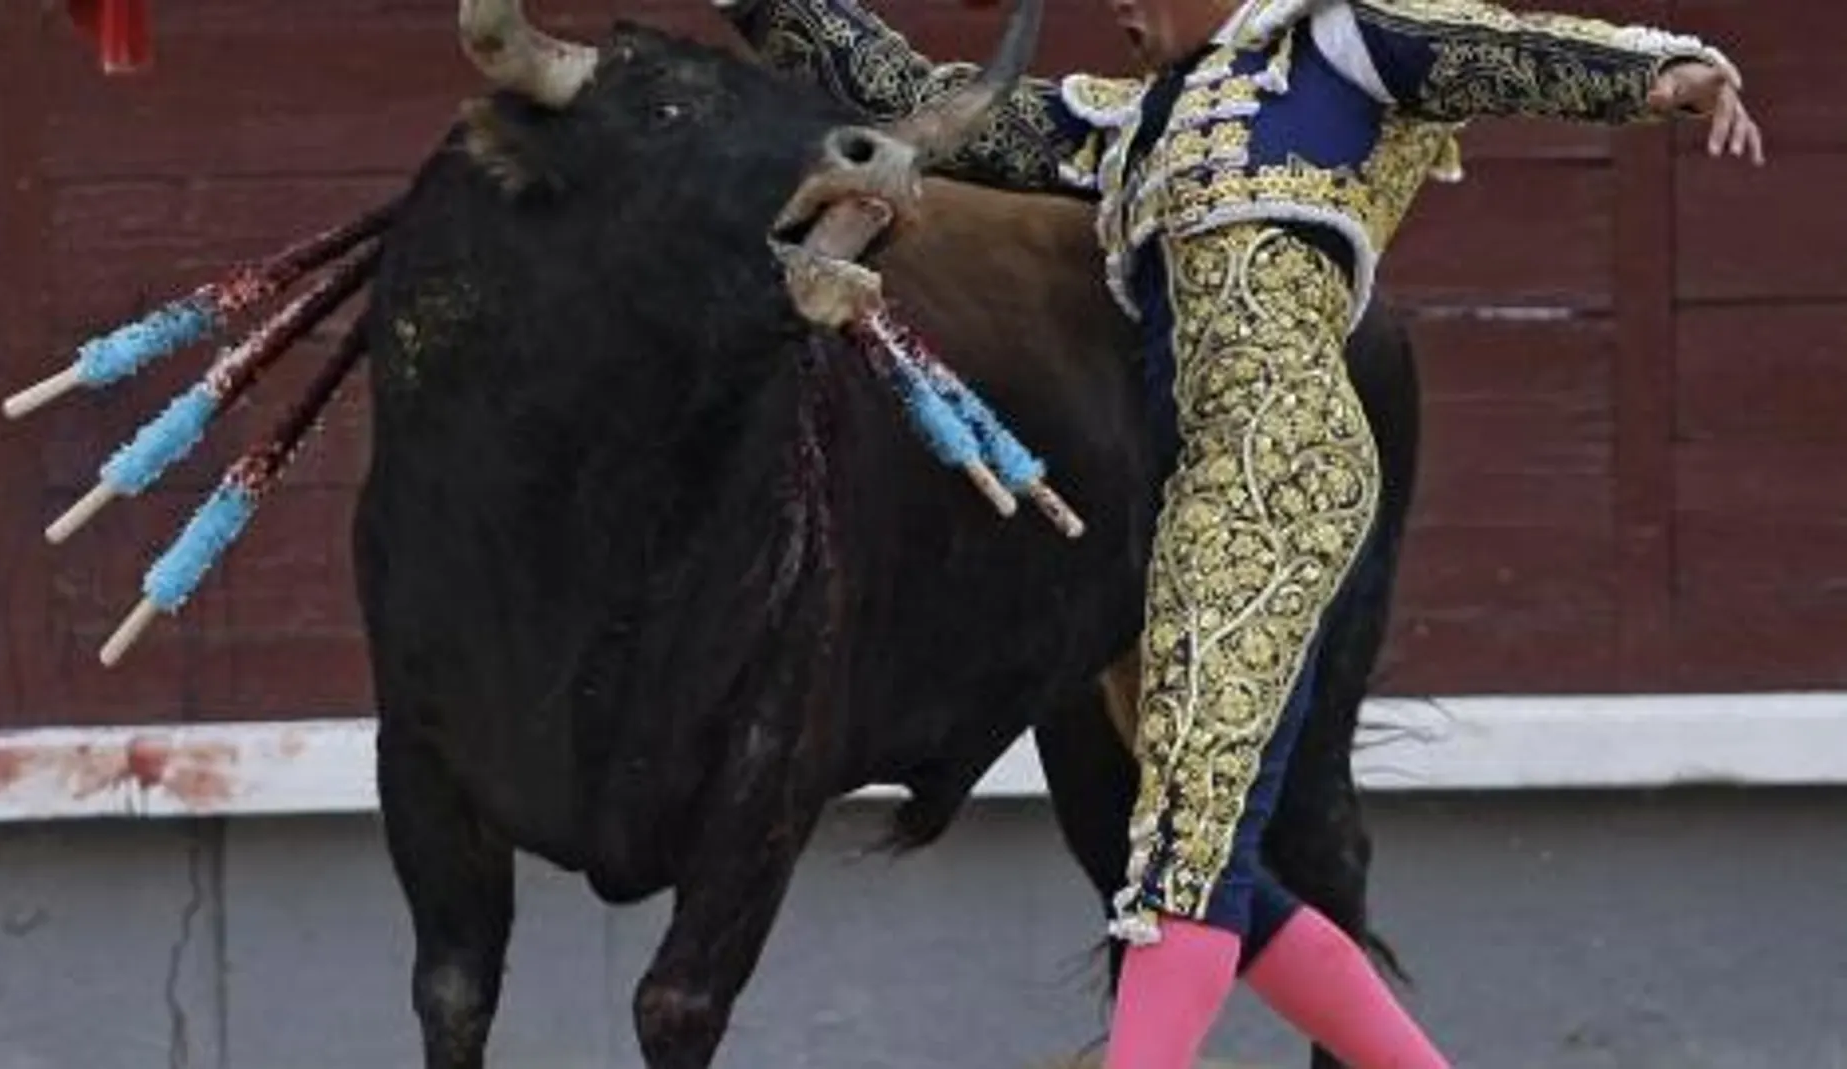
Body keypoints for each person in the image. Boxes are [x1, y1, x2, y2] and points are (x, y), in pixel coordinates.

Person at [709, 0, 1764, 1065]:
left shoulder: (1338, 49)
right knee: (1208, 859)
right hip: (1194, 486)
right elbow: (924, 100)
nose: (1117, 7)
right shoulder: (1128, 130)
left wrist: (1666, 69)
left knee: (1185, 856)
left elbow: (1491, 51)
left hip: (1280, 464)